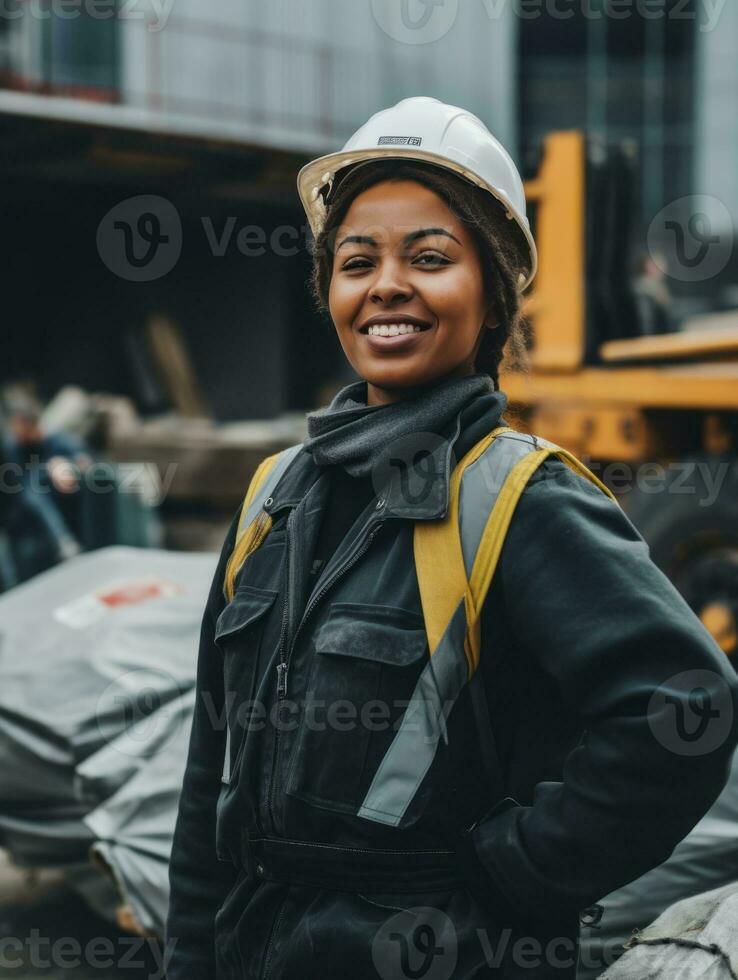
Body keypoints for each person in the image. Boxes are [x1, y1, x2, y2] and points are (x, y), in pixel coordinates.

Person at [165, 97, 738, 980]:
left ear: (494, 296)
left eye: (430, 258)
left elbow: (684, 707)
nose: (387, 284)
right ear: (329, 292)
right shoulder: (273, 497)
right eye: (358, 261)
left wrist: (519, 874)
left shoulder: (521, 498)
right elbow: (214, 773)